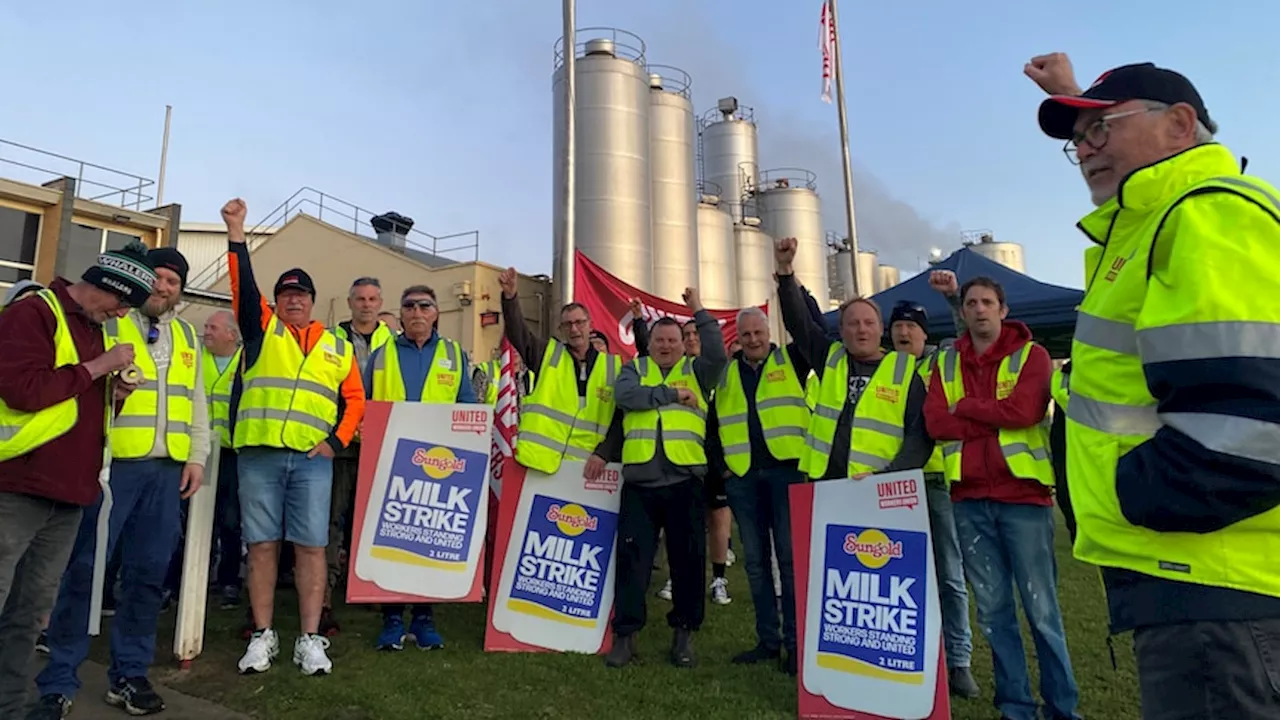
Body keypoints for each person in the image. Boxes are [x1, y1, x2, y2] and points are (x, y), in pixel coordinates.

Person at [1028, 52, 1280, 719]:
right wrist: (1085, 103)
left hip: (1213, 588)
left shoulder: (1207, 214)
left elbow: (1255, 427)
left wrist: (1131, 496)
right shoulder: (1153, 222)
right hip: (1198, 585)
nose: (1085, 151)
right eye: (1077, 142)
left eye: (1100, 131)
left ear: (1179, 123)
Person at [34, 246, 208, 717]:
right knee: (86, 574)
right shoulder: (111, 323)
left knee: (148, 577)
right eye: (157, 277)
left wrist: (197, 455)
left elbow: (198, 403)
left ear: (179, 291)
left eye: (173, 281)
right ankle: (58, 680)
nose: (163, 286)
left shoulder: (188, 334)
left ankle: (129, 674)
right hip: (112, 469)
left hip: (166, 471)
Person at [0, 245, 152, 720]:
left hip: (67, 493)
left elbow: (82, 412)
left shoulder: (91, 328)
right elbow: (22, 390)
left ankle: (12, 706)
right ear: (105, 287)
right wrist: (98, 368)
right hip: (17, 486)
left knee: (28, 615)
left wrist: (116, 395)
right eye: (122, 303)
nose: (123, 314)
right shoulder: (33, 314)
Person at [220, 198, 366, 677]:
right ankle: (263, 636)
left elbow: (355, 402)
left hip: (311, 462)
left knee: (311, 548)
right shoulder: (262, 332)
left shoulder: (337, 347)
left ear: (312, 298)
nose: (293, 300)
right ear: (276, 302)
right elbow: (244, 289)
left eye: (301, 294)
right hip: (259, 457)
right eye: (285, 294)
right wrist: (237, 234)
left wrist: (337, 443)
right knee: (260, 546)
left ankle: (309, 638)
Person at [924, 276, 1077, 720]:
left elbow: (1024, 412)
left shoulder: (1033, 356)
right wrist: (988, 417)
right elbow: (936, 423)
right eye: (971, 303)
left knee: (1041, 611)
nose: (979, 310)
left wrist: (967, 408)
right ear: (964, 310)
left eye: (987, 302)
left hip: (1023, 499)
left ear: (1003, 310)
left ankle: (1062, 707)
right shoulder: (946, 363)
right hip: (969, 501)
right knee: (993, 614)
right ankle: (1016, 707)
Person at [607, 288, 727, 669]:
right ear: (650, 342)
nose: (665, 346)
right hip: (641, 484)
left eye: (673, 340)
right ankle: (625, 637)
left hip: (685, 482)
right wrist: (672, 394)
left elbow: (718, 351)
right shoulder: (634, 369)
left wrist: (698, 311)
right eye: (659, 340)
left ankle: (684, 636)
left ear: (683, 343)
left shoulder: (699, 371)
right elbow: (627, 397)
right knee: (632, 562)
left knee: (688, 563)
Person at [366, 285, 478, 652]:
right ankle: (392, 617)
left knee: (429, 540)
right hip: (390, 462)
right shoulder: (380, 356)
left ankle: (425, 617)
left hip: (438, 467)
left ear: (436, 313)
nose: (416, 312)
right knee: (392, 540)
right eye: (409, 305)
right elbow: (365, 405)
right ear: (400, 314)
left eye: (424, 306)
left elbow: (467, 406)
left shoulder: (454, 355)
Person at [773, 237, 933, 482]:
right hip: (827, 483)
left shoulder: (903, 371)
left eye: (869, 323)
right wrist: (785, 273)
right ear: (841, 330)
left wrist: (891, 475)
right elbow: (799, 323)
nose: (861, 330)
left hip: (881, 486)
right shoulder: (830, 357)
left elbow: (919, 435)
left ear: (881, 329)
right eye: (853, 323)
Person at [886, 297, 980, 698]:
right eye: (897, 326)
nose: (903, 333)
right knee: (898, 577)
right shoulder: (885, 371)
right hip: (893, 487)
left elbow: (970, 338)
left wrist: (953, 300)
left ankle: (959, 661)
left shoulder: (944, 361)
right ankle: (907, 653)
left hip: (937, 481)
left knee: (949, 575)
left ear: (925, 332)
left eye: (911, 326)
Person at [716, 306, 810, 675]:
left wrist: (790, 284)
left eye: (758, 333)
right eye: (746, 335)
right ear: (738, 337)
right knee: (755, 564)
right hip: (742, 476)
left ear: (769, 332)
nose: (753, 340)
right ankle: (767, 641)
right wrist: (721, 466)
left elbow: (807, 325)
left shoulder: (792, 361)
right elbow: (713, 420)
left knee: (788, 562)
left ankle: (796, 645)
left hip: (786, 471)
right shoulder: (725, 373)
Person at [497, 267, 621, 479]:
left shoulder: (614, 367)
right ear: (561, 329)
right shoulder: (548, 354)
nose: (574, 329)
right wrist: (510, 298)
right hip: (539, 466)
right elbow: (519, 334)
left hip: (588, 470)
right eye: (568, 324)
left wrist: (604, 453)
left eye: (579, 323)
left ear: (590, 326)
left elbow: (621, 417)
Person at [323, 277, 395, 636]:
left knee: (372, 522)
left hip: (381, 446)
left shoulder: (392, 342)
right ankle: (323, 598)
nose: (366, 304)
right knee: (332, 521)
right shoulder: (332, 340)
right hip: (341, 444)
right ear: (349, 302)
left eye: (372, 299)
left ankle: (368, 587)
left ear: (380, 302)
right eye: (360, 299)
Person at [203, 310, 245, 609]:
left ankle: (229, 581)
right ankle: (182, 580)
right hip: (200, 451)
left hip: (232, 452)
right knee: (193, 519)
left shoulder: (245, 362)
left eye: (212, 327)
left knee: (230, 520)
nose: (206, 332)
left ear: (231, 334)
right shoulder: (195, 359)